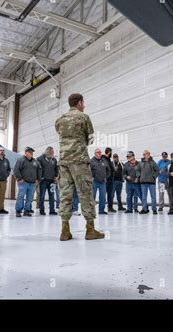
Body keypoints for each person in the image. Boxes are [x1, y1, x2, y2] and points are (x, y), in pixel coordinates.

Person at [55, 93, 104, 241]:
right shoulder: (84, 117)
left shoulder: (59, 120)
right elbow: (90, 139)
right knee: (85, 193)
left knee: (65, 194)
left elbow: (61, 135)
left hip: (63, 161)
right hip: (79, 161)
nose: (85, 105)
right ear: (80, 103)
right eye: (84, 103)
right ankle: (90, 230)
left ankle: (65, 231)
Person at [14, 147, 41, 217]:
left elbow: (39, 169)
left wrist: (38, 179)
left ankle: (27, 210)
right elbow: (16, 170)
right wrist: (20, 178)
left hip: (32, 183)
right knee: (21, 196)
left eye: (32, 152)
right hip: (23, 182)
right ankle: (18, 211)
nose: (31, 153)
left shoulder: (35, 161)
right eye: (30, 152)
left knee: (30, 198)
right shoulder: (20, 160)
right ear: (26, 153)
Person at [137, 149, 160, 214]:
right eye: (147, 153)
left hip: (151, 182)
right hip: (143, 182)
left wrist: (154, 177)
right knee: (144, 197)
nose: (148, 154)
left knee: (153, 197)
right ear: (144, 155)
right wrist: (139, 176)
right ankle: (144, 209)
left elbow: (157, 170)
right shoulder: (140, 163)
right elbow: (137, 170)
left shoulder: (153, 162)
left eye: (149, 153)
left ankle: (154, 209)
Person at [37, 146, 58, 216]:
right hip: (43, 181)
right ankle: (41, 210)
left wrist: (56, 176)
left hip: (52, 181)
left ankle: (52, 210)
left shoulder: (54, 160)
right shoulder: (40, 159)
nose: (52, 153)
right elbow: (38, 169)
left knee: (52, 196)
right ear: (47, 152)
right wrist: (40, 177)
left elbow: (56, 169)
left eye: (53, 152)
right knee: (42, 196)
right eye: (50, 152)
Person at [90, 148, 110, 215]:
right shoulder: (91, 161)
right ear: (95, 153)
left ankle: (101, 210)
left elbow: (108, 170)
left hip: (102, 182)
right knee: (92, 196)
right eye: (98, 152)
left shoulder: (104, 160)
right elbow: (88, 171)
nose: (99, 153)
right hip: (94, 181)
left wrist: (106, 177)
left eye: (100, 152)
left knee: (103, 196)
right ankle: (91, 211)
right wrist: (91, 178)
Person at [102, 147, 116, 212]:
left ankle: (110, 207)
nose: (111, 154)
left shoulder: (108, 159)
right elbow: (104, 169)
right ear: (109, 152)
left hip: (111, 180)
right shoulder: (104, 159)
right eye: (111, 152)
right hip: (106, 180)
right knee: (104, 194)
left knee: (110, 194)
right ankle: (102, 208)